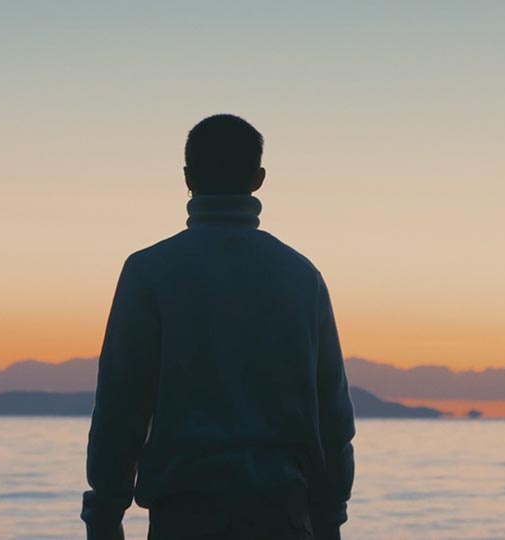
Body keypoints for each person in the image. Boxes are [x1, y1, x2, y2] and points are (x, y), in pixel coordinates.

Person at [81, 114, 356, 540]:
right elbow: (332, 416)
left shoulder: (149, 271)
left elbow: (120, 406)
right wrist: (330, 516)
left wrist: (104, 514)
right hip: (283, 515)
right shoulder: (301, 276)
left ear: (187, 177)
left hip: (183, 516)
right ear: (258, 179)